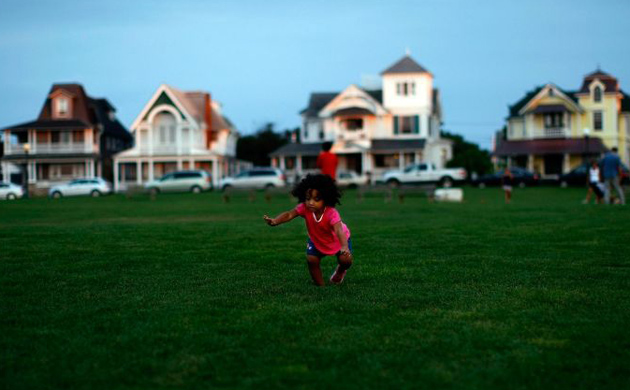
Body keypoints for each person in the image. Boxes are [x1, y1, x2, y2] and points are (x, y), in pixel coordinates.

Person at [263, 174, 352, 286]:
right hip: (317, 240)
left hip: (338, 240)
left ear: (326, 198)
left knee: (345, 260)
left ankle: (340, 271)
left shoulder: (331, 213)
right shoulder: (304, 208)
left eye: (316, 199)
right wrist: (276, 221)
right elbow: (289, 214)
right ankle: (321, 286)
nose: (311, 202)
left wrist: (344, 246)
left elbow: (339, 230)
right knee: (312, 260)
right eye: (308, 198)